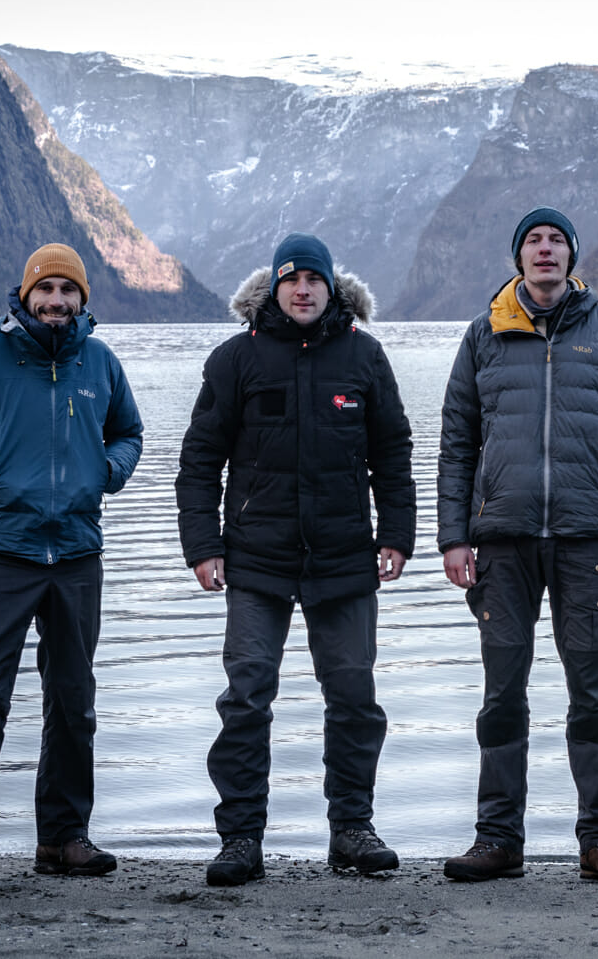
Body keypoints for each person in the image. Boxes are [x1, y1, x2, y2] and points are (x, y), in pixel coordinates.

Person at [177, 233, 417, 887]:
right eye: (292, 279)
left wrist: (396, 534)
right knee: (247, 697)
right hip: (255, 562)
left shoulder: (364, 357)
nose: (303, 289)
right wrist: (202, 546)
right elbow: (199, 462)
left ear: (332, 287)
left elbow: (393, 454)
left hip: (344, 562)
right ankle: (240, 839)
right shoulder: (235, 360)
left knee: (354, 699)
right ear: (274, 288)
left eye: (314, 279)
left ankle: (352, 830)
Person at [436, 206, 598, 884]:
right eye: (533, 240)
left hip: (587, 539)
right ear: (518, 257)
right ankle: (498, 837)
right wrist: (453, 534)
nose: (544, 250)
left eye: (555, 240)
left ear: (571, 256)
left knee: (589, 691)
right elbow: (455, 444)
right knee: (502, 692)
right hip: (500, 542)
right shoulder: (484, 335)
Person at [0, 241, 145, 887]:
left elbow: (129, 432)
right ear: (26, 294)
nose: (57, 302)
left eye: (69, 292)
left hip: (76, 552)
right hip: (3, 550)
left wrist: (109, 471)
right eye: (47, 290)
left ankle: (63, 838)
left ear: (82, 300)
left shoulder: (99, 360)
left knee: (73, 701)